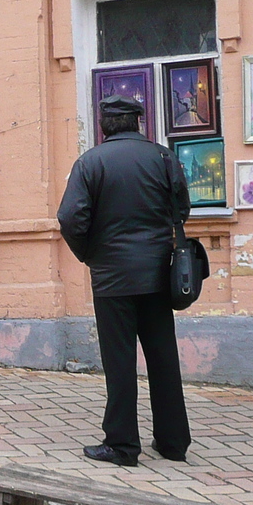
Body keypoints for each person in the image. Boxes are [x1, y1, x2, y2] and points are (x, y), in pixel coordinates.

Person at [57, 95, 191, 467]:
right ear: (137, 123)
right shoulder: (162, 157)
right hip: (157, 273)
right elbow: (182, 208)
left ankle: (122, 445)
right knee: (164, 358)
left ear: (104, 126)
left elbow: (70, 218)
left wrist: (89, 253)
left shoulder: (90, 162)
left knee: (119, 362)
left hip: (112, 277)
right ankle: (173, 441)